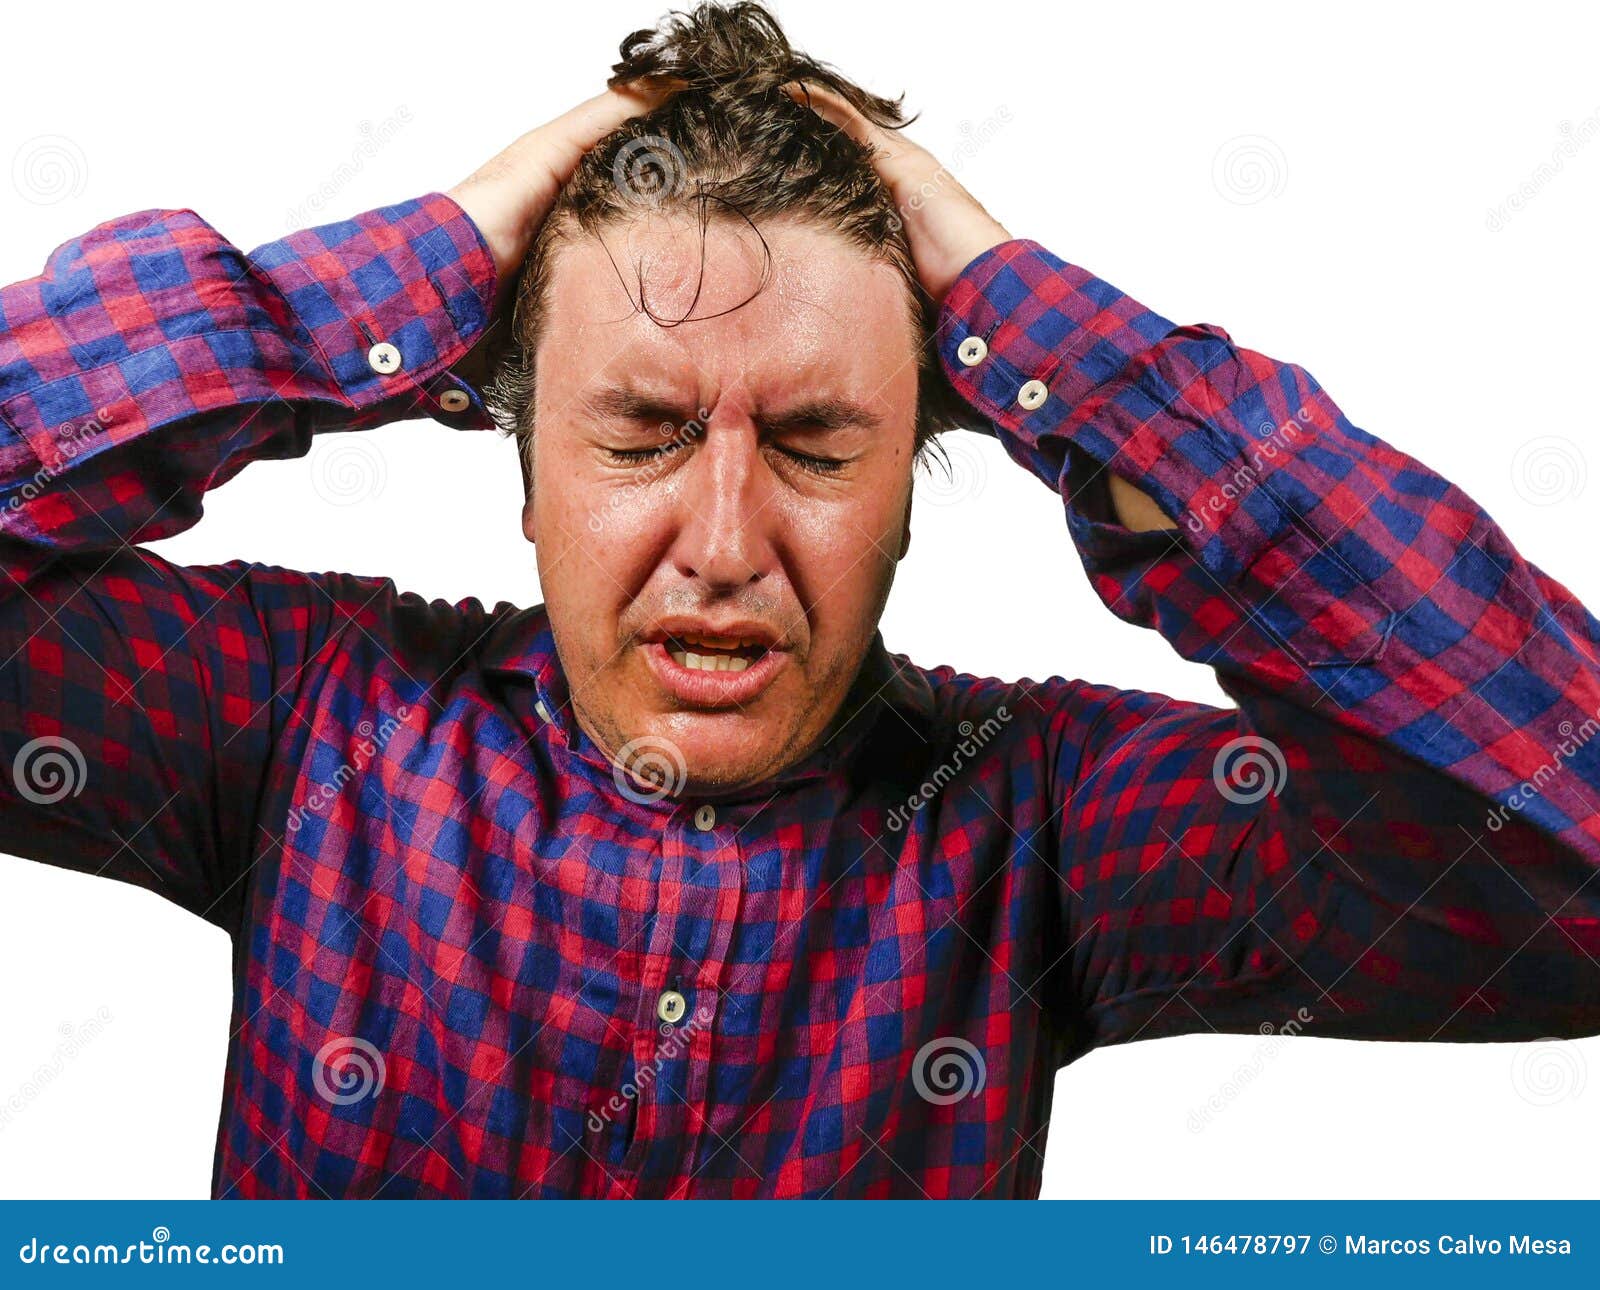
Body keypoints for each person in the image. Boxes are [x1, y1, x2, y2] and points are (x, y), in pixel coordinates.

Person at [0, 2, 1595, 1200]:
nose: (722, 538)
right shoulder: (300, 717)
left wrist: (1054, 343)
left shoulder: (1036, 817)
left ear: (924, 458)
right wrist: (369, 289)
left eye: (821, 443)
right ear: (512, 442)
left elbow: (1566, 874)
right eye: (639, 432)